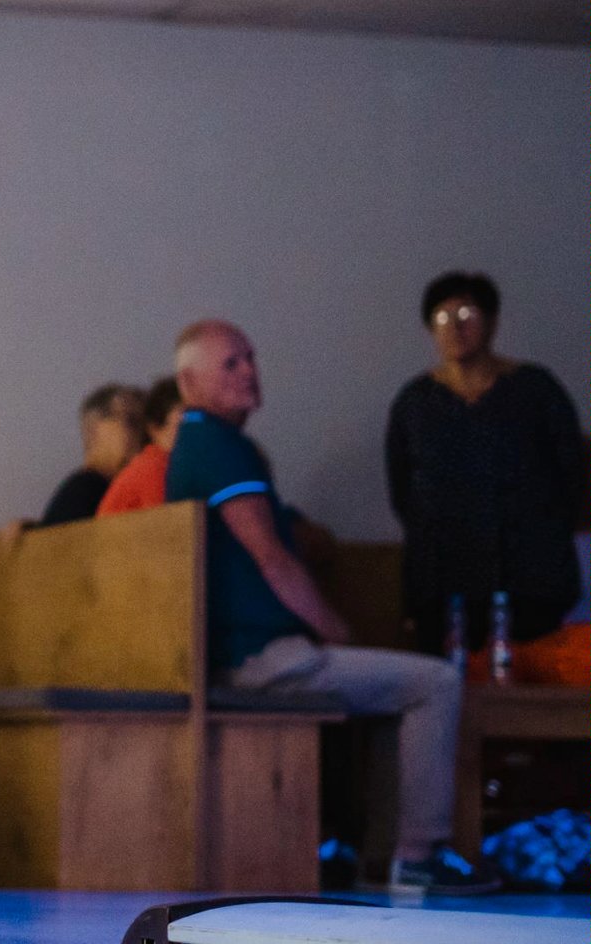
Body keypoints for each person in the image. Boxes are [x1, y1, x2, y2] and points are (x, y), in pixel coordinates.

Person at [166, 319, 496, 894]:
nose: (250, 371)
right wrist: (332, 627)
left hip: (241, 654)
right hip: (262, 659)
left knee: (399, 689)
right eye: (230, 364)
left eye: (251, 357)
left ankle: (382, 858)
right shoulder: (220, 447)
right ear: (188, 382)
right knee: (436, 682)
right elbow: (270, 557)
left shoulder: (200, 444)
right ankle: (416, 856)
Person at [386, 272, 587, 661]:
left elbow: (572, 475)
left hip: (531, 575)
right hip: (444, 579)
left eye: (466, 313)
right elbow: (403, 491)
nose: (456, 327)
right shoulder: (415, 403)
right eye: (443, 319)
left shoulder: (535, 388)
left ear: (491, 321)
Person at [39, 383, 144, 526]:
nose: (142, 432)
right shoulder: (86, 491)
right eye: (131, 420)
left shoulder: (82, 491)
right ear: (94, 427)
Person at [98, 376, 184, 517]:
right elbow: (169, 526)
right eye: (183, 424)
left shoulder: (155, 465)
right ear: (155, 428)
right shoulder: (154, 468)